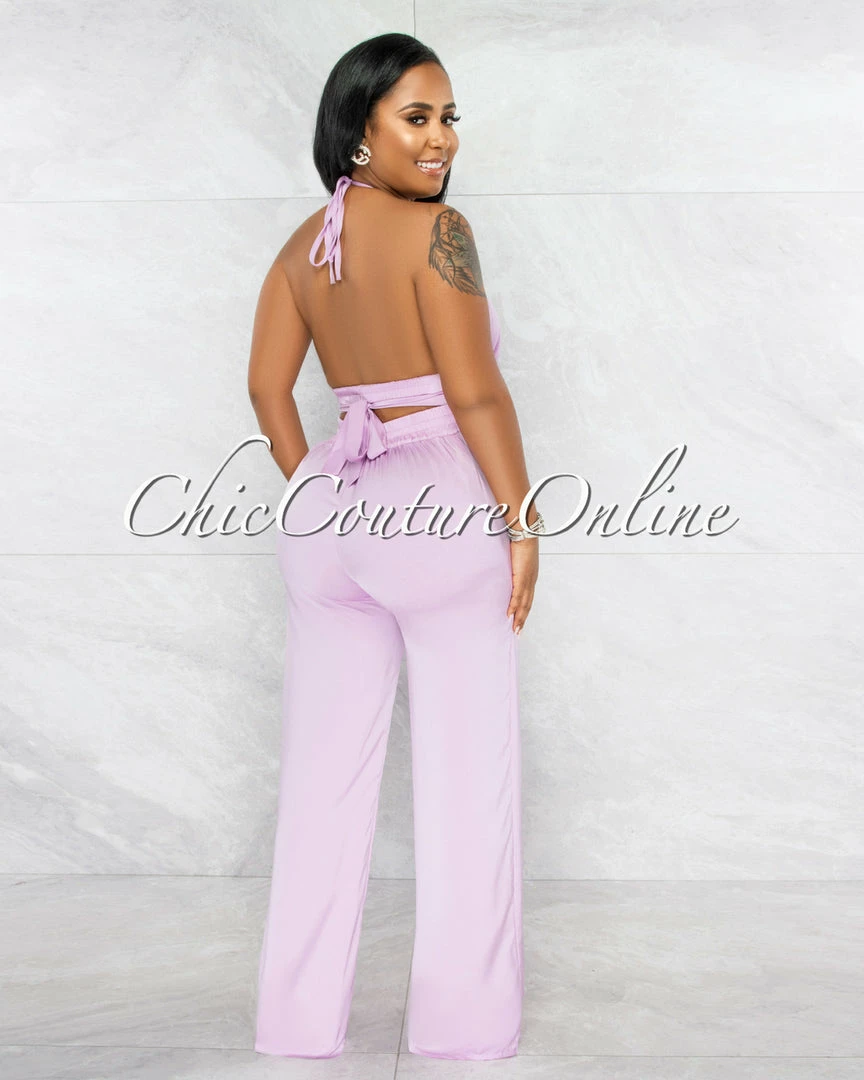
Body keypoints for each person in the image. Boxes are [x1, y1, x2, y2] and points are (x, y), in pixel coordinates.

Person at [247, 32, 543, 1062]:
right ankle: (462, 1031)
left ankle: (294, 1026)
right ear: (358, 130)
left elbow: (267, 391)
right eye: (417, 117)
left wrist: (320, 491)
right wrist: (520, 522)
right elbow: (474, 391)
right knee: (466, 780)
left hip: (327, 511)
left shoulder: (301, 249)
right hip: (438, 504)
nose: (441, 139)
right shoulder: (438, 233)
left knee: (320, 783)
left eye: (449, 117)